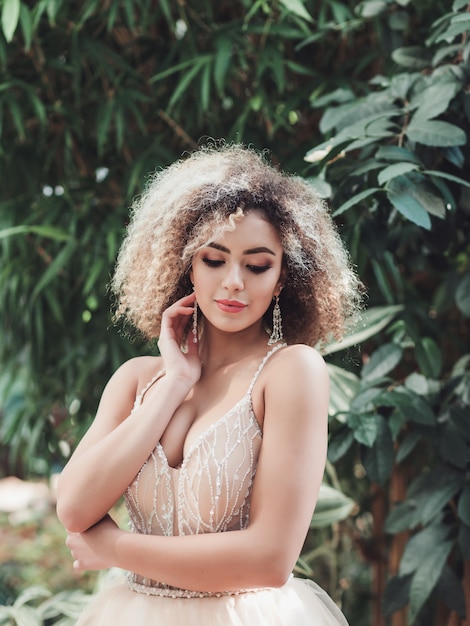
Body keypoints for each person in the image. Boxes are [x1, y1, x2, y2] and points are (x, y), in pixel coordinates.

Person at [56, 143, 361, 625]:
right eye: (214, 260)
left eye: (258, 265)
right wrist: (174, 383)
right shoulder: (137, 379)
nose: (234, 281)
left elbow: (269, 558)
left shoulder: (292, 372)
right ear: (188, 267)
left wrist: (114, 547)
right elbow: (74, 508)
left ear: (282, 278)